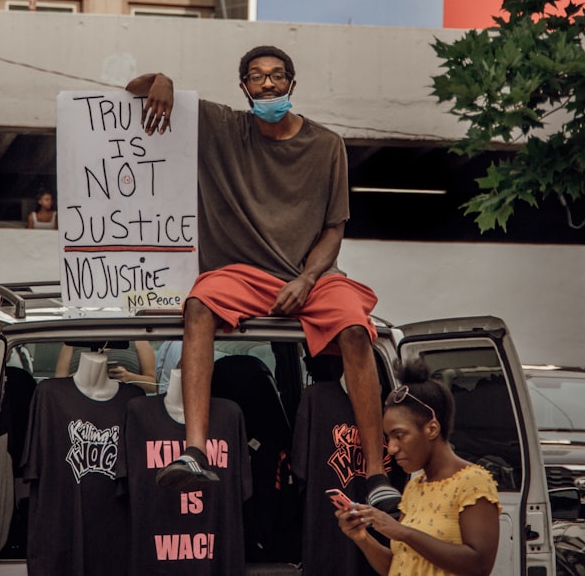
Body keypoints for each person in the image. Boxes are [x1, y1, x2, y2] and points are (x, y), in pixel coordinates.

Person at [125, 46, 401, 512]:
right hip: (243, 274)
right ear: (243, 88)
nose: (267, 85)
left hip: (310, 276)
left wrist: (309, 278)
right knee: (198, 305)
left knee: (356, 330)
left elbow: (335, 228)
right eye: (256, 78)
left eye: (276, 76)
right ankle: (194, 451)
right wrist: (164, 81)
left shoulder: (326, 144)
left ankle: (375, 472)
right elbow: (135, 90)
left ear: (292, 84)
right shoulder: (223, 127)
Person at [336, 358, 501, 576]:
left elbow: (479, 566)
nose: (392, 448)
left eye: (399, 435)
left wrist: (402, 532)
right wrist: (363, 539)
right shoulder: (414, 488)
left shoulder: (473, 482)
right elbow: (400, 566)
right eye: (388, 437)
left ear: (431, 429)